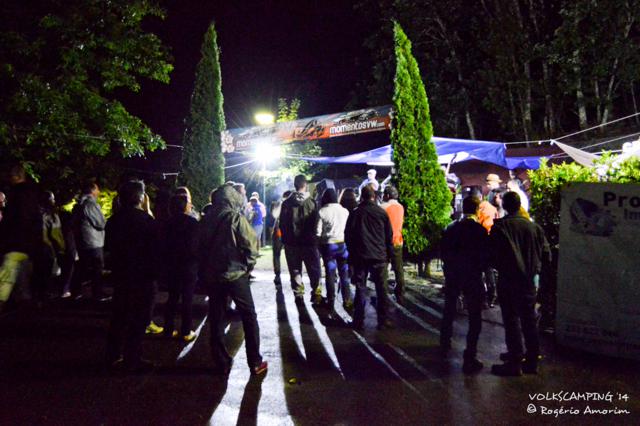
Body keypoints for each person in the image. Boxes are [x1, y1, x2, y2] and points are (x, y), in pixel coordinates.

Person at [199, 185, 267, 376]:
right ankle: (255, 361)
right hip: (236, 274)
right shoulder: (235, 217)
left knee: (216, 317)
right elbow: (251, 244)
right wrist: (248, 266)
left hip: (213, 276)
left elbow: (198, 247)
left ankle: (221, 362)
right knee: (249, 316)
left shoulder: (205, 220)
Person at [489, 191, 551, 376]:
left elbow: (492, 256)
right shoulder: (534, 228)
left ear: (505, 206)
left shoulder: (501, 227)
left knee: (511, 320)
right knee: (529, 320)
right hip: (528, 281)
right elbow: (547, 255)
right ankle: (532, 360)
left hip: (508, 279)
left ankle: (515, 361)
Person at [105, 180, 160, 372]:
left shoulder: (113, 221)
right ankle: (133, 357)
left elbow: (109, 248)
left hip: (122, 274)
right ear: (139, 197)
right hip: (143, 276)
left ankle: (113, 355)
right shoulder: (146, 221)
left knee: (119, 316)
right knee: (140, 318)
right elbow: (155, 251)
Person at [440, 196, 489, 374]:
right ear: (477, 210)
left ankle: (444, 345)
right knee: (475, 316)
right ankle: (470, 355)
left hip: (454, 274)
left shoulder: (452, 228)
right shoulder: (480, 231)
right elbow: (485, 256)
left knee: (449, 310)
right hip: (473, 276)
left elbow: (444, 252)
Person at [345, 185, 394, 330]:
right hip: (379, 256)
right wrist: (389, 255)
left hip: (360, 256)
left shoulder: (355, 213)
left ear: (362, 196)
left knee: (360, 287)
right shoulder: (381, 213)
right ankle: (383, 320)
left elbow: (348, 235)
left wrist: (352, 254)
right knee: (381, 289)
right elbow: (389, 236)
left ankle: (358, 320)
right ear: (374, 196)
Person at [279, 175, 322, 304]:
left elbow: (282, 224)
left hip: (292, 243)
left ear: (295, 185)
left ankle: (298, 294)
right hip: (309, 243)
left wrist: (286, 239)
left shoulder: (286, 203)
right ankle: (316, 294)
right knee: (314, 269)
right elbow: (316, 222)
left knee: (295, 269)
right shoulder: (312, 202)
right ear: (305, 185)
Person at [163, 194, 199, 342]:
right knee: (187, 298)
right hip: (188, 264)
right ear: (185, 206)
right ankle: (185, 330)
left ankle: (168, 329)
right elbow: (197, 245)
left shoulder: (167, 223)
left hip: (171, 264)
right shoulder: (192, 222)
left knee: (172, 297)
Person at [71, 180, 108, 301]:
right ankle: (97, 294)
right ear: (92, 190)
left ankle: (75, 291)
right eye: (97, 189)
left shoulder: (79, 204)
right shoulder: (90, 204)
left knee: (82, 267)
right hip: (94, 241)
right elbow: (100, 223)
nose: (99, 191)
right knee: (97, 268)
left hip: (83, 241)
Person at [316, 188, 351, 314]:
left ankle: (331, 300)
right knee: (344, 274)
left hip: (328, 246)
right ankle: (347, 299)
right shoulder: (345, 211)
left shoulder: (322, 211)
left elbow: (318, 232)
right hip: (342, 245)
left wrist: (318, 246)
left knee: (330, 274)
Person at [380, 185, 406, 305]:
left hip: (385, 242)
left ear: (387, 195)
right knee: (398, 269)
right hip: (398, 241)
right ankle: (400, 293)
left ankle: (383, 295)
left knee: (383, 270)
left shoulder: (383, 207)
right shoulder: (401, 207)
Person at [271, 190, 291, 288]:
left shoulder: (281, 204)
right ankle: (294, 275)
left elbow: (274, 216)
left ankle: (277, 274)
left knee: (276, 254)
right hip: (289, 233)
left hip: (279, 232)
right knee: (290, 254)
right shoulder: (294, 205)